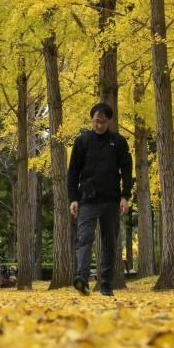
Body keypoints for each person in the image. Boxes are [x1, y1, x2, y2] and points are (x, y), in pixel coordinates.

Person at [67, 102, 132, 297]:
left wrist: (125, 196)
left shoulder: (119, 142)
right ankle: (82, 278)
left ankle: (105, 283)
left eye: (103, 122)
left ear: (109, 121)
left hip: (112, 200)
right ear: (91, 120)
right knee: (84, 239)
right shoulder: (82, 141)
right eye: (96, 121)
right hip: (87, 199)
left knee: (110, 243)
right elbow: (73, 172)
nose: (99, 125)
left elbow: (127, 171)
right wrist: (73, 198)